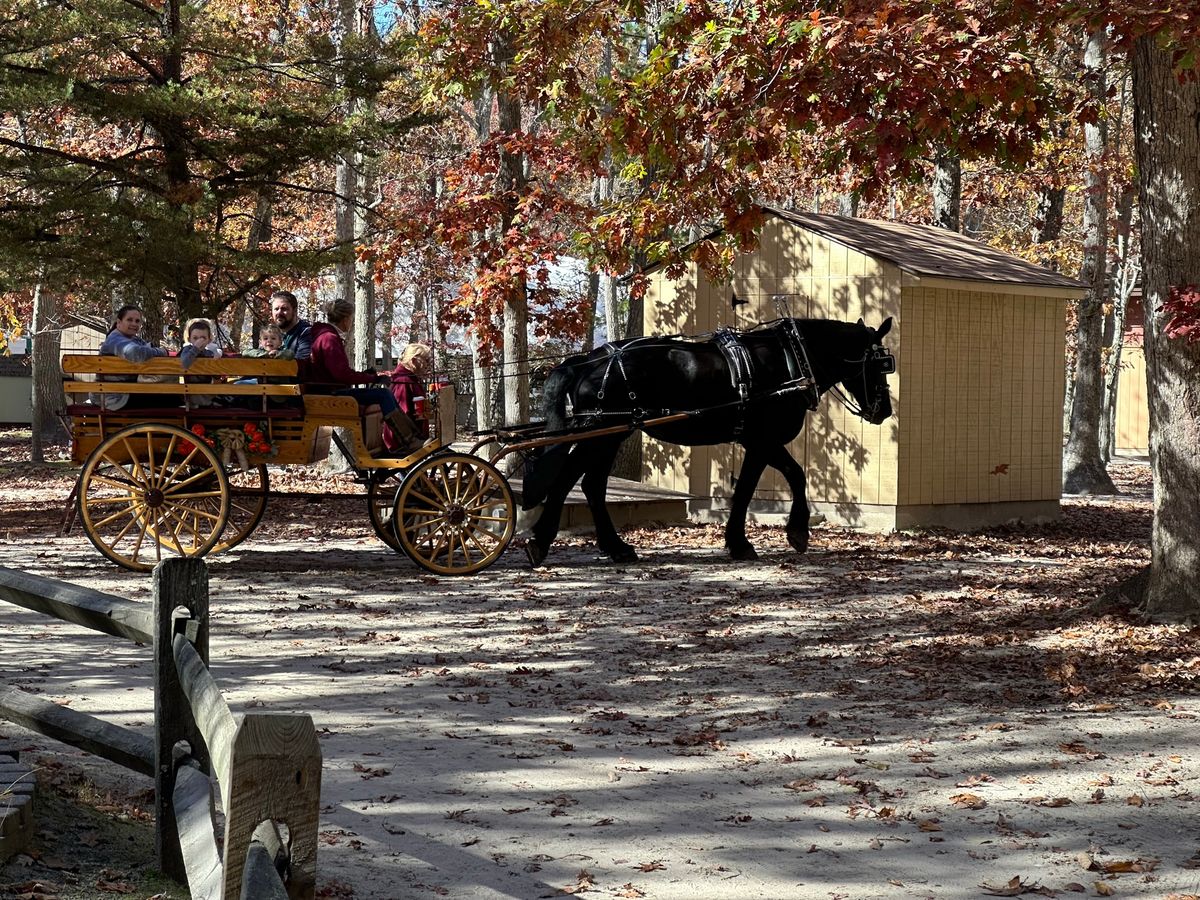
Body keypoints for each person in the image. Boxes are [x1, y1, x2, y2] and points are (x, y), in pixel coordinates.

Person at [303, 299, 423, 454]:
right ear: (346, 319)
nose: (351, 323)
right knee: (383, 394)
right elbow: (341, 374)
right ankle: (408, 439)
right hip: (331, 394)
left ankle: (409, 437)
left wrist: (367, 375)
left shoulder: (323, 335)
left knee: (383, 394)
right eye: (351, 319)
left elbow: (338, 371)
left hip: (328, 390)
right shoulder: (329, 338)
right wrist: (373, 378)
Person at [98, 304, 172, 410]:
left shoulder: (133, 339)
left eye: (137, 321)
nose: (134, 324)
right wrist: (162, 351)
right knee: (176, 398)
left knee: (173, 395)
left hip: (127, 391)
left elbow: (145, 351)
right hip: (113, 397)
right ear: (119, 322)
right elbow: (137, 353)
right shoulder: (115, 340)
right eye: (129, 320)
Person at [383, 343, 433, 452]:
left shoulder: (411, 379)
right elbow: (401, 414)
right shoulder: (403, 381)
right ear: (414, 361)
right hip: (403, 440)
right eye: (426, 360)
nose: (428, 365)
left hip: (414, 435)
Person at [179, 317, 223, 407]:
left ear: (209, 340)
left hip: (205, 391)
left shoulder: (208, 353)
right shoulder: (187, 350)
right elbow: (184, 363)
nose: (199, 341)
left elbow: (217, 376)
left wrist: (215, 362)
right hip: (190, 392)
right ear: (189, 339)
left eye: (203, 338)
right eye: (195, 338)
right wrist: (195, 349)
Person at [270, 290, 312, 360]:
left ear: (295, 311)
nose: (279, 313)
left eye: (284, 309)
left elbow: (300, 365)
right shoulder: (273, 335)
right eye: (276, 309)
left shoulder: (306, 333)